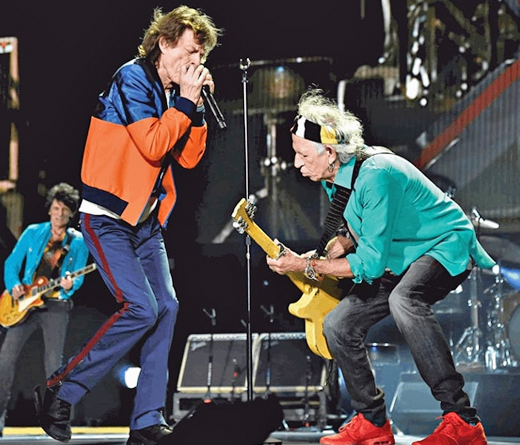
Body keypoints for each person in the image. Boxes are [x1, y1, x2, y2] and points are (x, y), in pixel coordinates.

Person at [34, 6, 222, 445]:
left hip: (145, 221)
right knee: (141, 308)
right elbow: (153, 144)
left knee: (167, 307)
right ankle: (61, 389)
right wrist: (185, 102)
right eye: (190, 51)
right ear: (164, 43)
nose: (196, 62)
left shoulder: (176, 94)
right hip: (108, 217)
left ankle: (147, 420)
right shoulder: (132, 78)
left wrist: (194, 109)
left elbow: (188, 158)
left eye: (201, 55)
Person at [266, 88, 495, 445]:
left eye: (303, 154)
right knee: (337, 324)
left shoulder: (375, 174)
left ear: (330, 153)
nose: (297, 163)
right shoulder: (336, 177)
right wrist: (337, 245)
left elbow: (370, 266)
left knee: (405, 300)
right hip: (397, 255)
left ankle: (463, 422)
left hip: (443, 244)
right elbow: (361, 231)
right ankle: (373, 423)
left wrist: (308, 265)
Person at [0, 182, 89, 436]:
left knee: (53, 365)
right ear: (50, 209)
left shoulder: (78, 242)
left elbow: (79, 276)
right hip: (26, 304)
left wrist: (71, 285)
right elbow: (11, 264)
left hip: (56, 305)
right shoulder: (33, 232)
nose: (60, 214)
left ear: (71, 213)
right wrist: (14, 286)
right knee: (5, 361)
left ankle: (56, 422)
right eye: (56, 208)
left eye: (65, 210)